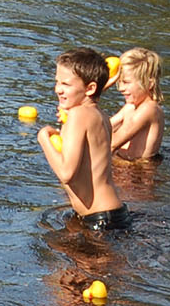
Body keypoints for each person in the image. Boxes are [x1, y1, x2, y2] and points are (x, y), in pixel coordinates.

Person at [38, 46, 126, 230]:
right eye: (57, 82)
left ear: (90, 88)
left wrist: (43, 137)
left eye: (66, 84)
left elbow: (66, 173)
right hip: (110, 213)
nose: (58, 90)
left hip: (100, 219)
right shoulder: (97, 115)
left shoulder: (79, 116)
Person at [108, 47, 165, 161]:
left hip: (137, 173)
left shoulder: (149, 109)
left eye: (126, 82)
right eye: (119, 82)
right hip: (122, 164)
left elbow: (113, 144)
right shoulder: (130, 107)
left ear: (149, 84)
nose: (121, 89)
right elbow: (101, 128)